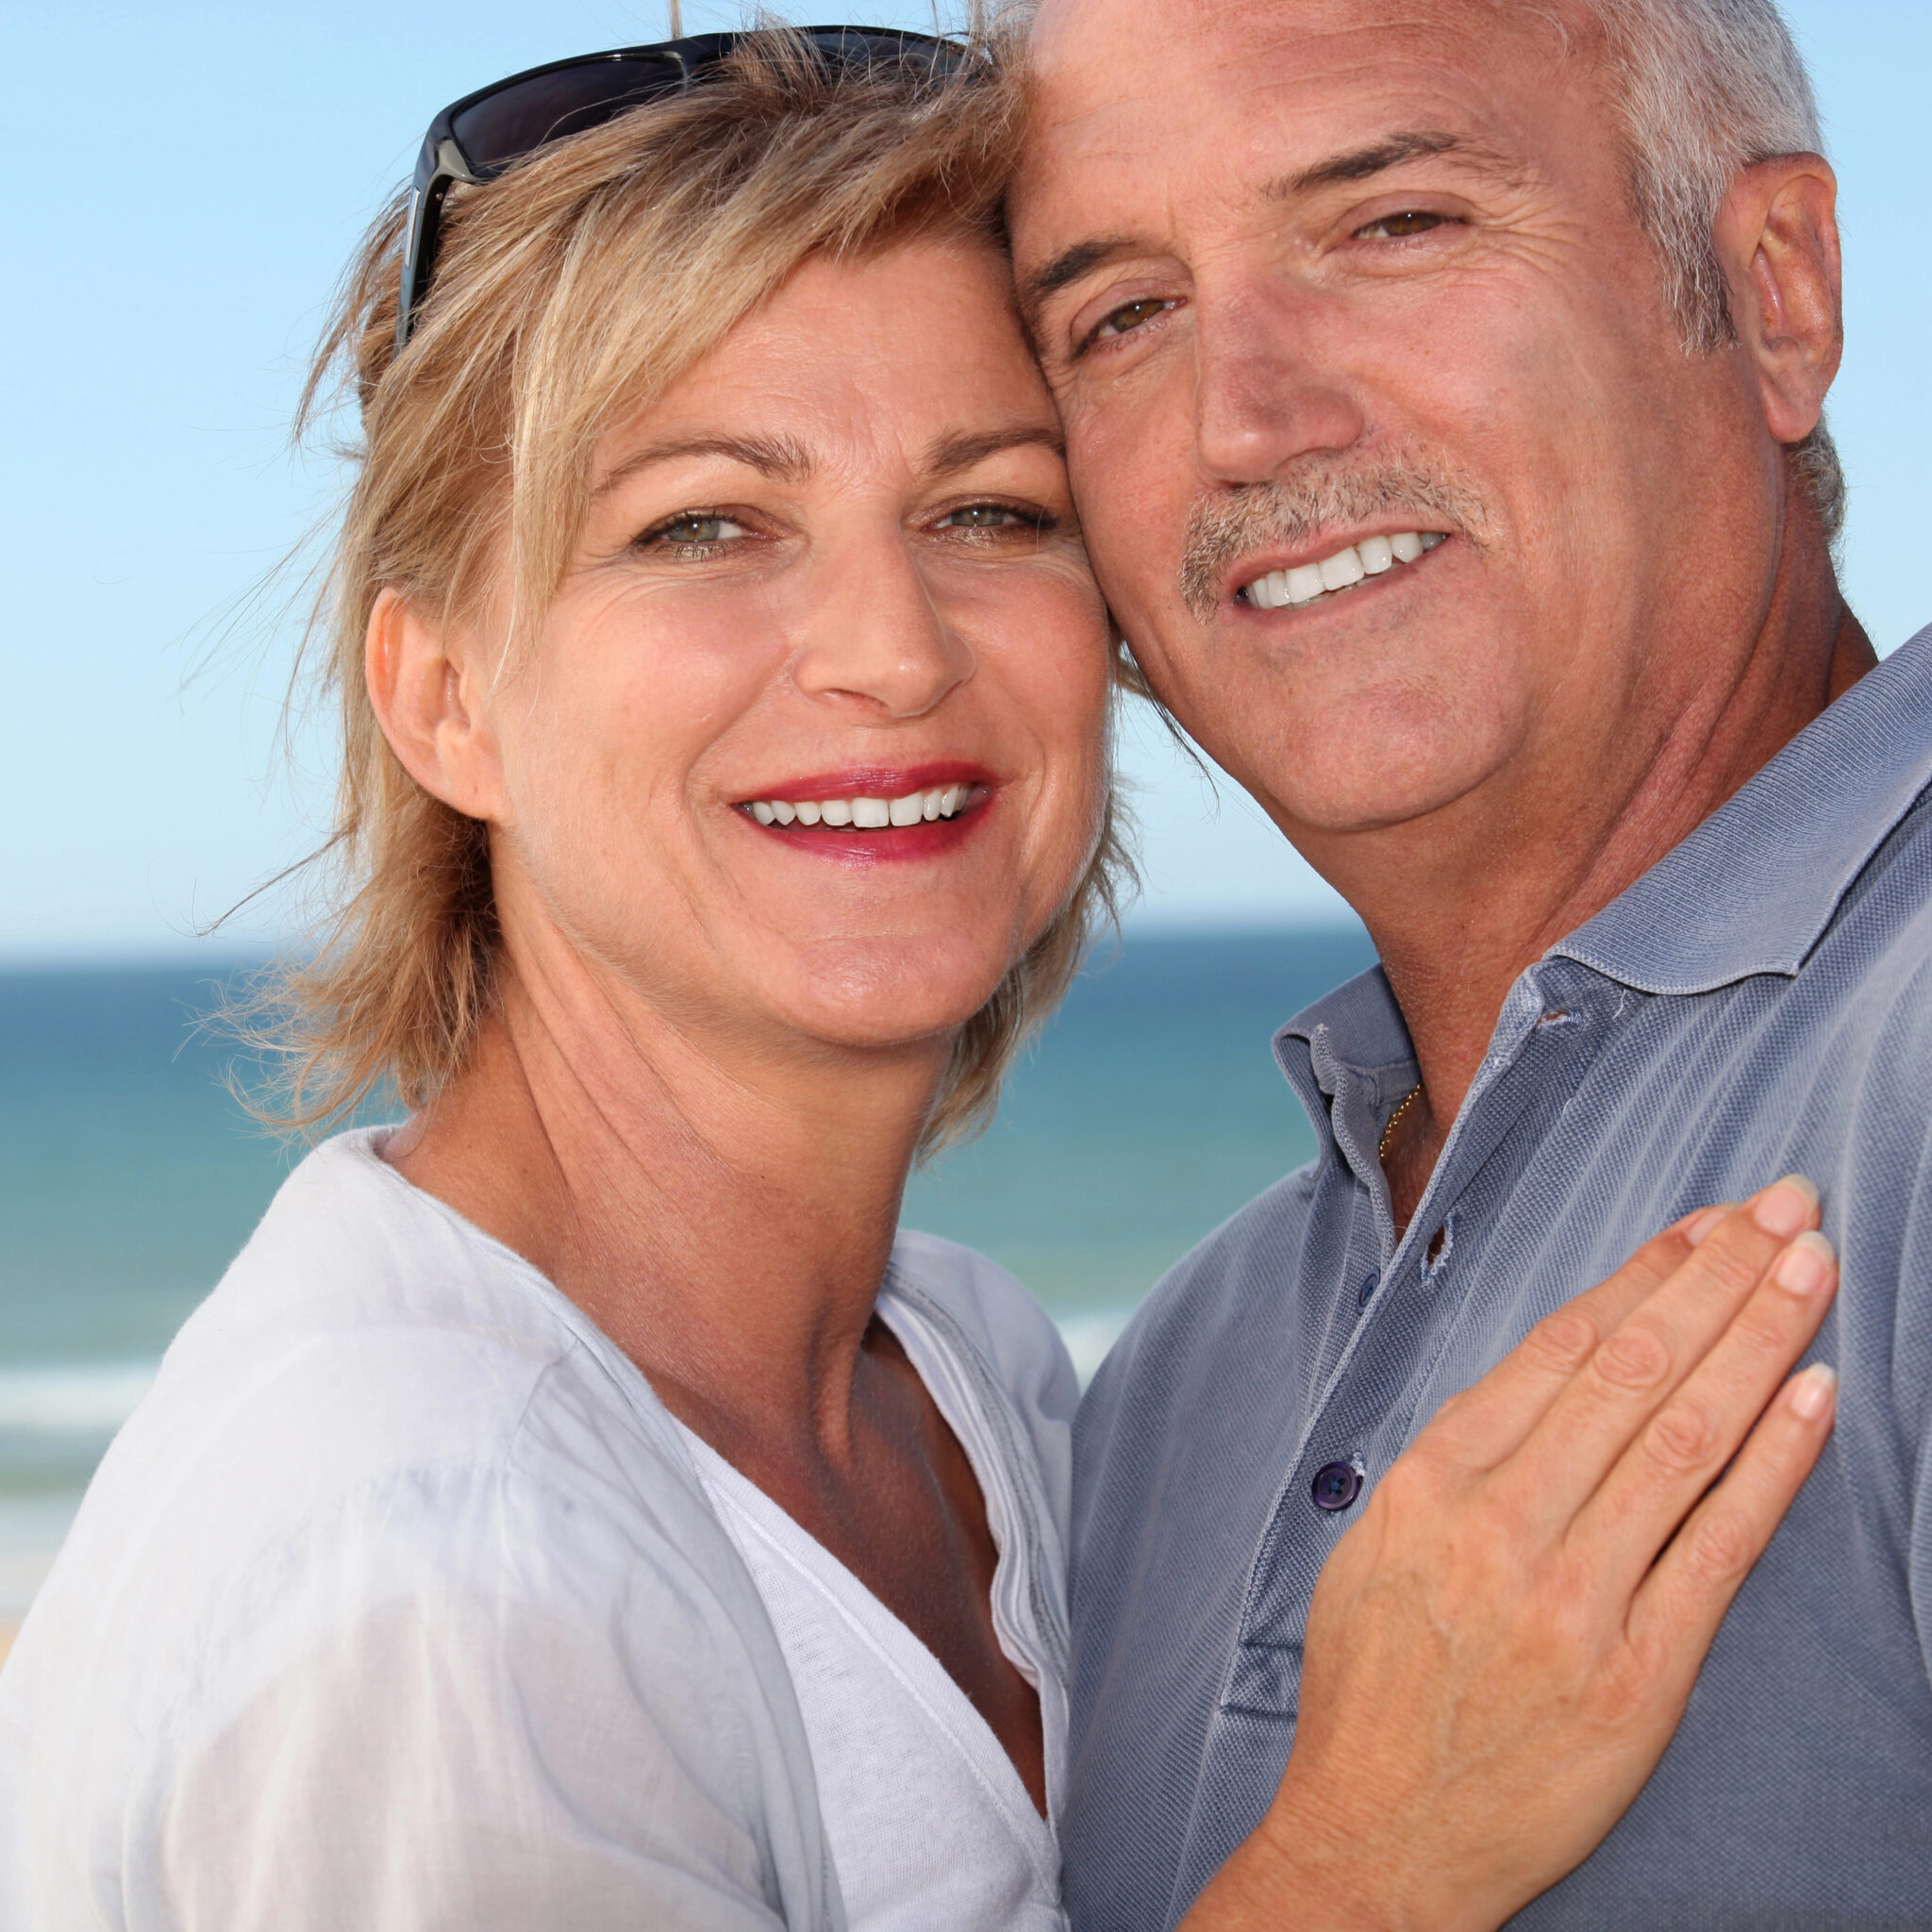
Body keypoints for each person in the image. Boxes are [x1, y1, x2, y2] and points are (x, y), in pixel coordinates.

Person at [0, 25, 1837, 1932]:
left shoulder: (978, 1390)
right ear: (444, 694)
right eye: (704, 524)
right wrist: (1367, 1861)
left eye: (989, 512)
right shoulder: (424, 1567)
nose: (888, 650)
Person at [1005, 0, 1932, 1924]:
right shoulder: (1171, 1392)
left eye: (1393, 224)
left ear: (1773, 293)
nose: (1243, 418)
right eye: (1120, 317)